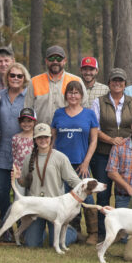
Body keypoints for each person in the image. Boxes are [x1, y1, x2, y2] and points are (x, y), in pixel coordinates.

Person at [90, 68, 132, 240]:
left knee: (125, 192)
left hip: (126, 155)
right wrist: (111, 140)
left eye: (120, 80)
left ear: (125, 84)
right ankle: (102, 233)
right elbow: (94, 128)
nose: (117, 83)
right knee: (103, 193)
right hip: (103, 153)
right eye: (114, 80)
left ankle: (124, 232)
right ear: (109, 83)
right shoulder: (99, 102)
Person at [14, 123, 82, 248]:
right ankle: (40, 233)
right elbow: (24, 183)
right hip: (36, 207)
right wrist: (18, 178)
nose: (43, 140)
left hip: (55, 207)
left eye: (46, 137)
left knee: (55, 244)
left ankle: (72, 232)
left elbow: (73, 180)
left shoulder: (60, 157)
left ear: (51, 138)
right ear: (35, 140)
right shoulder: (29, 157)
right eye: (39, 138)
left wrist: (84, 187)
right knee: (32, 244)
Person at [51, 79, 99, 240]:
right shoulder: (58, 113)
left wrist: (86, 162)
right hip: (61, 164)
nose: (73, 95)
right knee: (67, 198)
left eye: (76, 92)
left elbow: (94, 140)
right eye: (70, 92)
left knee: (88, 196)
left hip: (81, 164)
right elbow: (53, 138)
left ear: (81, 95)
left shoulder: (89, 114)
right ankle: (74, 231)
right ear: (66, 95)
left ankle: (93, 232)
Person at [0, 62, 30, 232]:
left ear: (24, 79)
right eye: (12, 75)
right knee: (1, 190)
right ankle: (6, 227)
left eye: (19, 76)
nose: (15, 78)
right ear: (7, 77)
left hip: (24, 151)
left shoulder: (29, 96)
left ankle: (22, 228)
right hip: (2, 150)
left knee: (21, 192)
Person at [27, 45, 80, 130]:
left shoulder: (76, 81)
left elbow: (84, 108)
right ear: (46, 61)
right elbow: (28, 111)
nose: (55, 61)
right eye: (51, 58)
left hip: (68, 132)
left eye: (59, 59)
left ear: (65, 61)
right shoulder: (34, 81)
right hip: (41, 134)